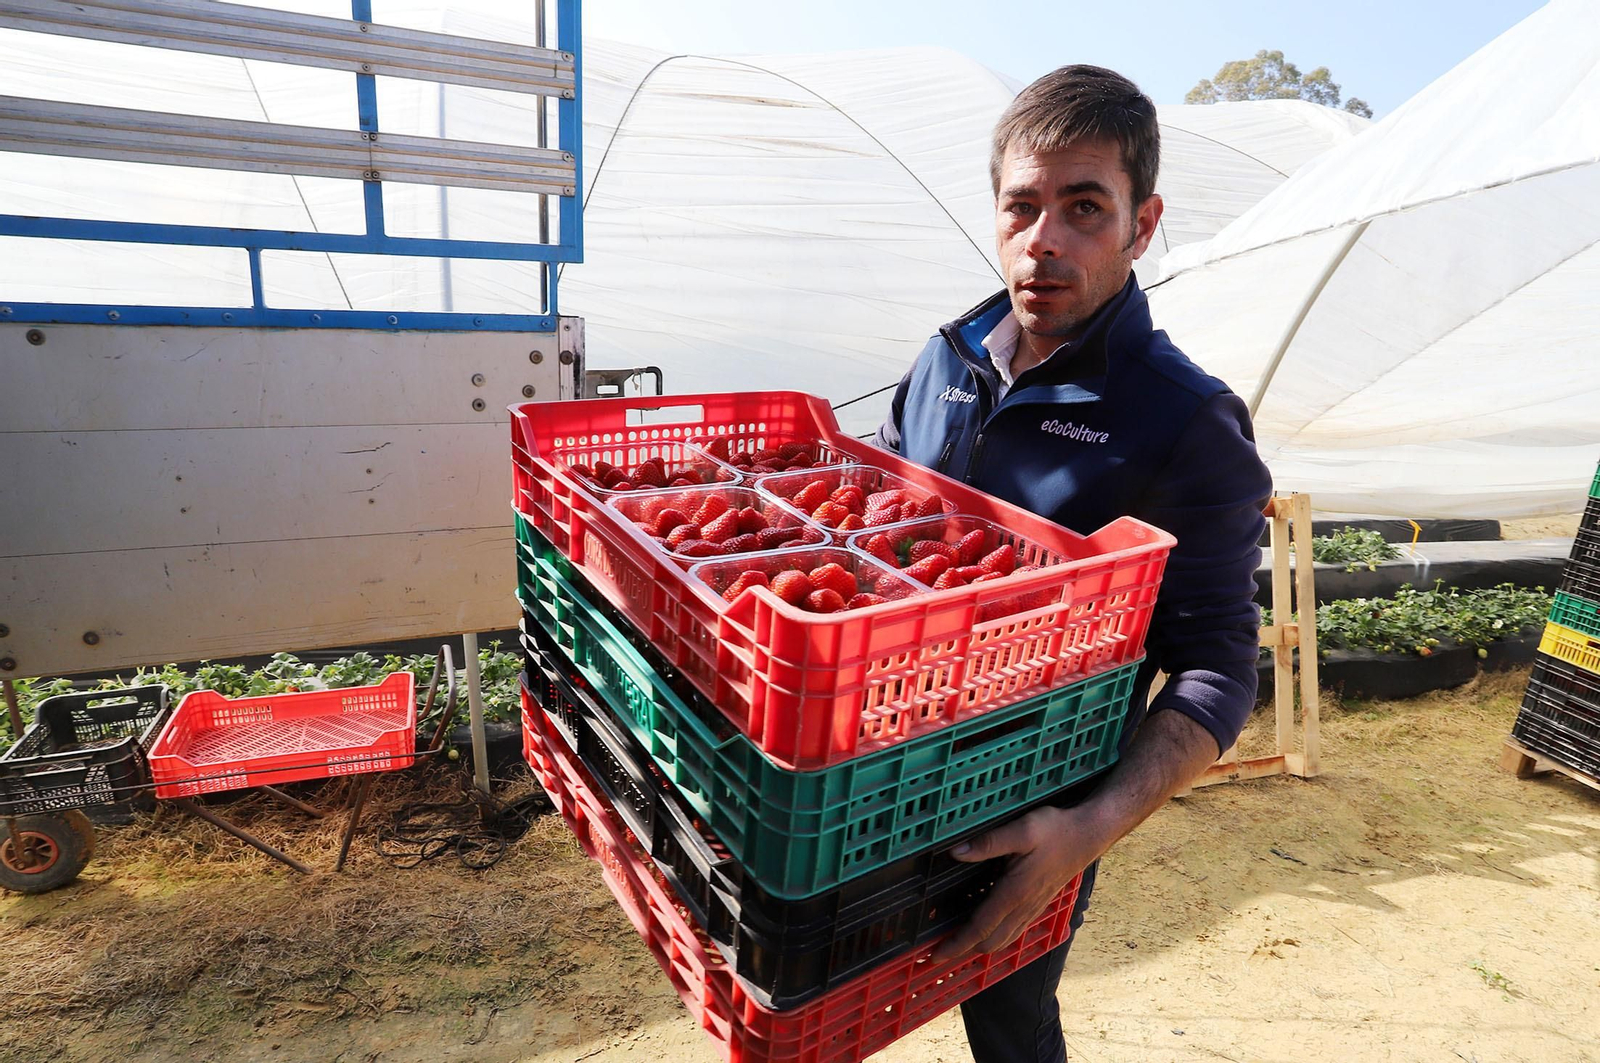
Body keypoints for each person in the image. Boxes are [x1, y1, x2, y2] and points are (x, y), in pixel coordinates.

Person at [873, 65, 1272, 1063]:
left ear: (1142, 225)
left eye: (1084, 207)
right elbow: (875, 523)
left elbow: (1219, 666)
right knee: (824, 998)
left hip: (1027, 814)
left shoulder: (1185, 424)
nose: (1043, 238)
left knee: (1008, 1022)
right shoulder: (946, 357)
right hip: (867, 781)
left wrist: (1085, 828)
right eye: (1022, 206)